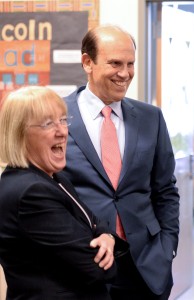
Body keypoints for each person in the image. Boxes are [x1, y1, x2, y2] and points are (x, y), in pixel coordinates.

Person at [62, 25, 180, 300]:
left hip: (146, 266)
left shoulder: (151, 118)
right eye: (115, 63)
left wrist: (168, 247)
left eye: (130, 64)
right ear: (87, 62)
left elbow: (165, 190)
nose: (125, 73)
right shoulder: (57, 116)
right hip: (82, 264)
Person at [0, 86, 127, 300]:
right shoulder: (32, 192)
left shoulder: (54, 179)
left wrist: (106, 236)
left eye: (62, 120)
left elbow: (95, 221)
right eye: (48, 123)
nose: (62, 131)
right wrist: (105, 243)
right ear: (19, 133)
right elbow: (97, 269)